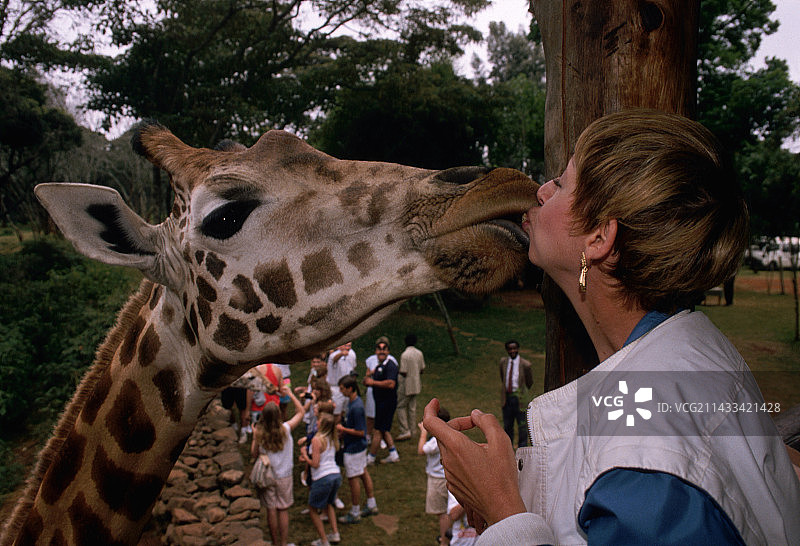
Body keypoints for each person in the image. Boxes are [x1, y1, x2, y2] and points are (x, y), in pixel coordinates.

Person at [424, 109, 800, 544]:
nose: (541, 190)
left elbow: (642, 468)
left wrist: (502, 510)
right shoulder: (697, 352)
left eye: (561, 183)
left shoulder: (644, 474)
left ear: (600, 238)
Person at [249, 386, 305, 546]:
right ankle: (284, 542)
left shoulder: (260, 433)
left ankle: (275, 543)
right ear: (279, 415)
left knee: (271, 510)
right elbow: (300, 412)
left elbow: (254, 454)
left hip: (268, 475)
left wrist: (254, 437)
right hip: (284, 475)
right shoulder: (286, 429)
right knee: (283, 509)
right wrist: (291, 394)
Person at [336, 375, 379, 524]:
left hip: (354, 448)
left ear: (350, 389)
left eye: (342, 389)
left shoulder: (357, 407)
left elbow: (361, 432)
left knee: (353, 478)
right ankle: (371, 504)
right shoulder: (352, 402)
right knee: (363, 472)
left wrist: (343, 429)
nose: (341, 392)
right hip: (357, 447)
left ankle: (355, 512)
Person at [299, 412, 342, 546]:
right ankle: (335, 533)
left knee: (312, 509)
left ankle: (323, 540)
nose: (316, 422)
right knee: (329, 504)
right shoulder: (331, 438)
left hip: (323, 477)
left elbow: (315, 463)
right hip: (335, 474)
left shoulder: (317, 440)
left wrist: (304, 455)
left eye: (319, 420)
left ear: (322, 425)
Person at [418, 407, 450, 545]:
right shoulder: (448, 434)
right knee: (445, 510)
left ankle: (445, 540)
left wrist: (423, 433)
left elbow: (421, 450)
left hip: (437, 480)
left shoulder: (435, 441)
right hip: (444, 477)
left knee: (442, 513)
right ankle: (447, 536)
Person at [365, 337, 400, 464]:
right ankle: (394, 454)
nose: (381, 351)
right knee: (384, 430)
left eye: (384, 349)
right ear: (375, 351)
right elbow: (367, 381)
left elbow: (391, 383)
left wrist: (373, 382)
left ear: (388, 352)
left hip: (387, 403)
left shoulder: (390, 366)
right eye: (379, 349)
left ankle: (370, 458)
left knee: (378, 431)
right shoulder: (379, 366)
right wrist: (369, 378)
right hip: (379, 402)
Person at [498, 340, 533, 448]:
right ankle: (508, 448)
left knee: (522, 426)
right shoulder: (503, 362)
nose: (512, 351)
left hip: (519, 399)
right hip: (507, 399)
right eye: (510, 349)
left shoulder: (525, 365)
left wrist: (521, 393)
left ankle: (522, 448)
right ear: (507, 350)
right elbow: (502, 377)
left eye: (514, 348)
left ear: (518, 349)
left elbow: (529, 382)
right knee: (508, 425)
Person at [396, 333, 426, 441]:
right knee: (412, 408)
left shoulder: (405, 355)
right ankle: (413, 430)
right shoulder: (419, 353)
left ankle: (405, 430)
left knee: (400, 406)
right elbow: (422, 369)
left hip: (406, 384)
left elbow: (403, 372)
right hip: (416, 384)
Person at [327, 342, 357, 421]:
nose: (346, 347)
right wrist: (341, 354)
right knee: (336, 413)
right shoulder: (333, 355)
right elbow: (334, 359)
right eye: (345, 344)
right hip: (336, 388)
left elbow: (353, 368)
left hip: (347, 388)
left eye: (349, 345)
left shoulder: (352, 354)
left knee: (345, 411)